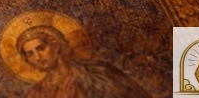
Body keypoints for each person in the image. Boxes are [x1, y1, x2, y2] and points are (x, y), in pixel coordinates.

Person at [16, 25, 151, 97]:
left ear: (55, 46)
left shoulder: (95, 73)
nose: (38, 57)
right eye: (30, 54)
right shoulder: (36, 94)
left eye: (41, 48)